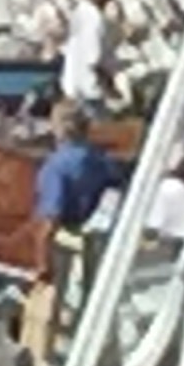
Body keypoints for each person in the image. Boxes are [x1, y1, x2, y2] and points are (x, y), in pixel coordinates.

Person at [31, 101, 119, 255]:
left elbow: (51, 217)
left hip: (68, 241)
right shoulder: (102, 159)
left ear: (57, 128)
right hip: (101, 236)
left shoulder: (55, 167)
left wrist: (40, 257)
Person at [59, 0, 118, 107]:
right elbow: (93, 59)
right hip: (90, 91)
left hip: (73, 88)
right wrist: (109, 89)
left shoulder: (80, 11)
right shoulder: (95, 19)